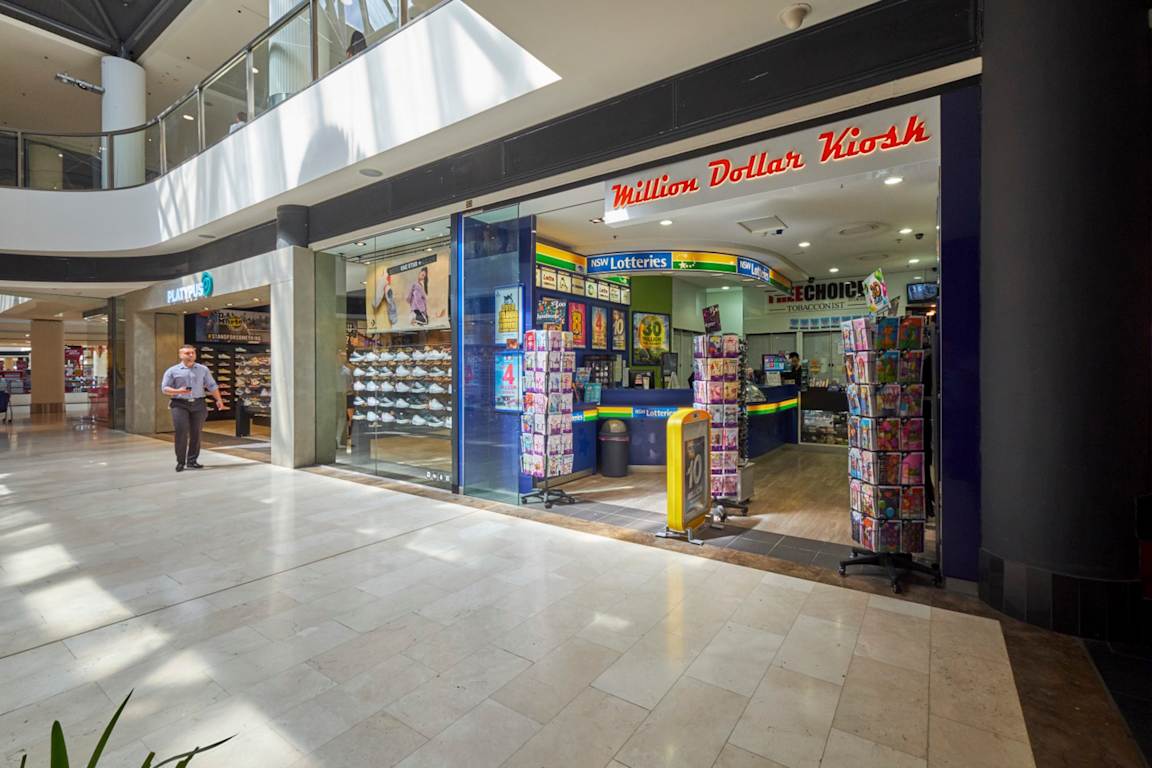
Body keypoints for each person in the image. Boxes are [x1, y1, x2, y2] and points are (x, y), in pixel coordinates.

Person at [161, 344, 226, 472]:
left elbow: (212, 385)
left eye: (192, 353)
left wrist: (219, 399)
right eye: (187, 353)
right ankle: (180, 462)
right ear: (180, 355)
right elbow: (164, 389)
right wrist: (177, 390)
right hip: (179, 404)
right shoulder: (172, 371)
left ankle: (192, 461)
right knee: (181, 432)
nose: (191, 355)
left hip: (198, 404)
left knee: (196, 433)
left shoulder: (203, 369)